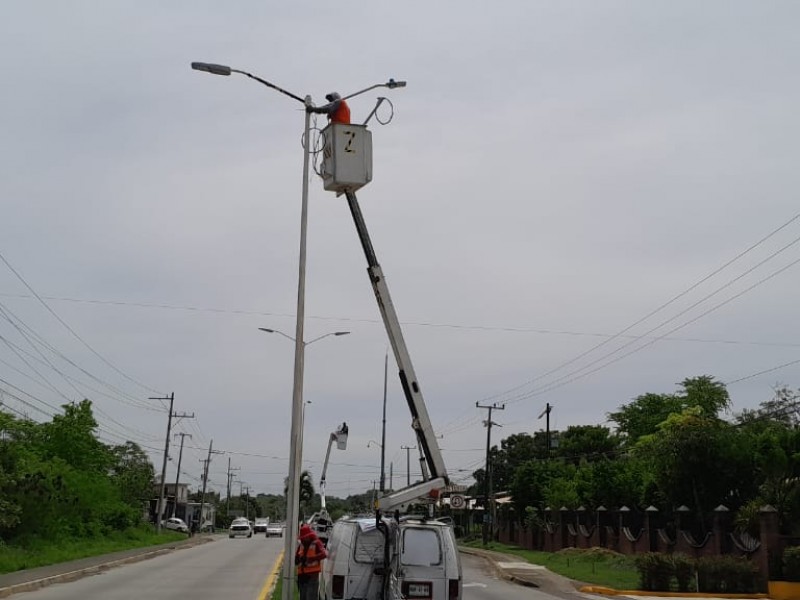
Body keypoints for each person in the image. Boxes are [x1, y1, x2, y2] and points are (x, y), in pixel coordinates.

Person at [295, 523, 328, 600]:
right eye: (302, 538)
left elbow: (324, 554)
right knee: (303, 597)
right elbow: (296, 558)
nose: (303, 539)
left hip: (312, 577)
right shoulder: (301, 545)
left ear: (309, 536)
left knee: (310, 597)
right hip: (302, 577)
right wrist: (297, 559)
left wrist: (311, 559)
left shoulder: (316, 543)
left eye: (305, 537)